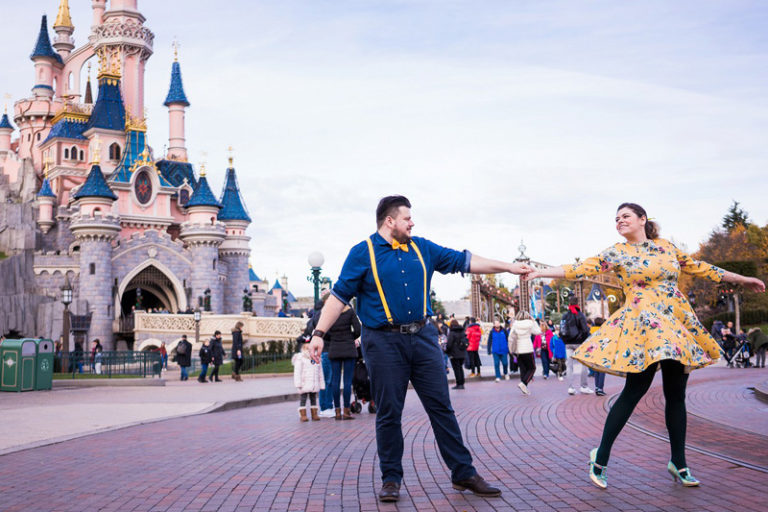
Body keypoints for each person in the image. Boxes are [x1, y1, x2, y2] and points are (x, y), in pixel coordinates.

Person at [524, 202, 765, 489]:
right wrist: (540, 273)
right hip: (643, 329)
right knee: (634, 390)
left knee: (676, 395)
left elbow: (703, 268)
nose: (619, 221)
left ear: (642, 219)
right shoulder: (617, 252)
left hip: (675, 325)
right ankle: (600, 457)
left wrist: (743, 279)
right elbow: (579, 268)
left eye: (625, 216)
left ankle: (679, 462)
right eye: (616, 219)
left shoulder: (667, 247)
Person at [307, 195, 533, 502]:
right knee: (389, 412)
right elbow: (338, 297)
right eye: (407, 218)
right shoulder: (363, 253)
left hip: (424, 337)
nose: (412, 223)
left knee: (441, 406)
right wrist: (319, 332)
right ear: (390, 221)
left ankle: (463, 473)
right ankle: (391, 478)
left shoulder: (423, 248)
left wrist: (509, 267)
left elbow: (467, 260)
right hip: (383, 341)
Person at [327, 303, 362, 420]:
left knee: (335, 381)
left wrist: (334, 338)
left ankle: (337, 411)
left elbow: (325, 332)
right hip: (348, 348)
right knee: (347, 381)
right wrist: (349, 337)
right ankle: (346, 411)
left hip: (335, 348)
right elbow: (358, 329)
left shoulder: (331, 311)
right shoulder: (350, 312)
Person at [302, 297, 335, 417]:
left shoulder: (316, 316)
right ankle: (325, 407)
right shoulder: (323, 316)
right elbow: (325, 332)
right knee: (327, 380)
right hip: (325, 349)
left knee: (326, 380)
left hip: (324, 350)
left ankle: (327, 406)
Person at [560, 296, 593, 395]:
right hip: (579, 343)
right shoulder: (580, 315)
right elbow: (585, 330)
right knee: (584, 364)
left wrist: (565, 340)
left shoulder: (565, 316)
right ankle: (584, 386)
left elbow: (562, 329)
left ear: (569, 304)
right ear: (577, 303)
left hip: (568, 343)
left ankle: (570, 387)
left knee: (569, 366)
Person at [292, 338, 324, 422]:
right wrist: (298, 383)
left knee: (313, 398)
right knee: (303, 398)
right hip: (304, 383)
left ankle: (314, 414)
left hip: (314, 383)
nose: (308, 350)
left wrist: (322, 384)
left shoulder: (317, 358)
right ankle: (303, 415)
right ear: (303, 348)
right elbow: (297, 372)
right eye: (306, 348)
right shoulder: (300, 358)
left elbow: (320, 372)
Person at [509, 311, 541, 395]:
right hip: (527, 348)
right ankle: (523, 383)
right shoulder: (530, 323)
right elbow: (538, 331)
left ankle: (524, 387)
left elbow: (510, 337)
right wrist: (534, 321)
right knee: (532, 368)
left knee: (523, 368)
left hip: (518, 350)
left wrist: (511, 349)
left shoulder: (515, 324)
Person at [446, 319, 468, 389]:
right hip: (462, 353)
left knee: (456, 369)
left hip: (454, 354)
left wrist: (447, 351)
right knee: (460, 368)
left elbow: (449, 344)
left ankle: (459, 384)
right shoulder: (462, 331)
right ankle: (462, 383)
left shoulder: (452, 333)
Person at [592, 318, 607, 395]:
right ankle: (600, 388)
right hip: (601, 353)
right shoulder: (603, 331)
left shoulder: (591, 330)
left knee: (596, 371)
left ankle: (597, 387)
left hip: (594, 353)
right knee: (602, 371)